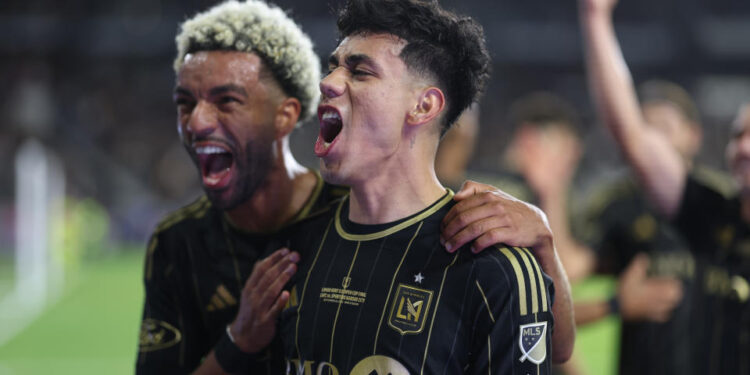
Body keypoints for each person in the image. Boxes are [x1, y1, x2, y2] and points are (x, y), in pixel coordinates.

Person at [136, 1, 573, 374]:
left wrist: (546, 254)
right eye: (333, 66)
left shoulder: (493, 265)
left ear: (423, 105)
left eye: (360, 72)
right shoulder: (291, 250)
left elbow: (558, 349)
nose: (327, 82)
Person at [579, 0, 750, 373]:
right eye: (738, 134)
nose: (744, 147)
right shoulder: (713, 214)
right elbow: (632, 136)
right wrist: (596, 17)